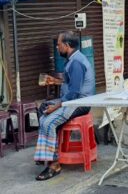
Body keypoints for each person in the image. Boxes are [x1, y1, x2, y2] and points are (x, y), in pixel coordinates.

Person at [34, 31, 95, 181]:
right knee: (43, 108)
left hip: (80, 103)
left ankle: (54, 164)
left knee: (48, 121)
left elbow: (74, 93)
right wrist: (55, 81)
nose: (57, 47)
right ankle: (48, 151)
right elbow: (71, 84)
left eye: (59, 44)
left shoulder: (76, 63)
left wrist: (56, 108)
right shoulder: (72, 59)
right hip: (71, 100)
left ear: (67, 46)